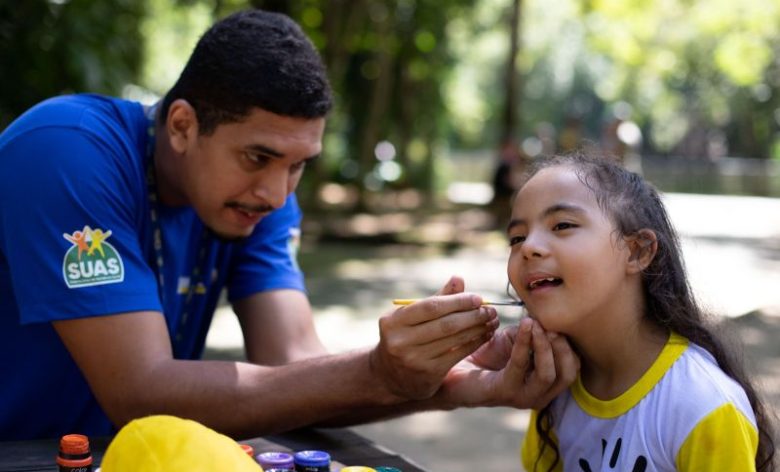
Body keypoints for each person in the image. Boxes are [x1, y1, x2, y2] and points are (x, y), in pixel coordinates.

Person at [0, 9, 579, 441]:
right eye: (257, 158)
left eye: (299, 166)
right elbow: (141, 389)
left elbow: (298, 371)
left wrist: (455, 381)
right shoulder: (67, 151)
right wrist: (380, 369)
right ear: (181, 125)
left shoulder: (256, 200)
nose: (277, 194)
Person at [499, 152, 776, 472]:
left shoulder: (704, 407)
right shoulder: (555, 381)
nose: (529, 247)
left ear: (638, 251)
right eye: (517, 238)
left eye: (562, 225)